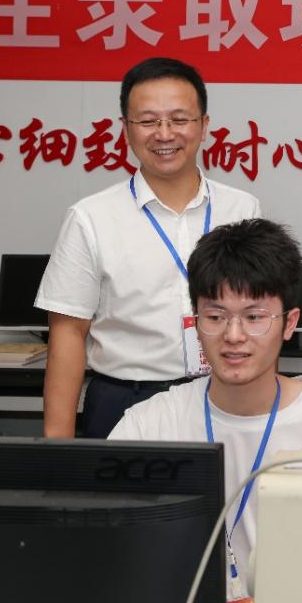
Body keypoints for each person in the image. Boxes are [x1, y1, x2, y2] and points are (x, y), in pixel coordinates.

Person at [109, 218, 302, 587]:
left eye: (254, 317)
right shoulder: (148, 425)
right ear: (195, 321)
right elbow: (114, 548)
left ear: (289, 323)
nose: (233, 335)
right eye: (215, 316)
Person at [36, 57, 261, 439]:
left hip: (225, 395)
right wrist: (58, 447)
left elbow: (262, 314)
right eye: (148, 121)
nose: (164, 133)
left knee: (230, 483)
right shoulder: (91, 217)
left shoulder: (242, 208)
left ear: (204, 125)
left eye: (179, 119)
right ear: (126, 128)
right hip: (125, 398)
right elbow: (68, 334)